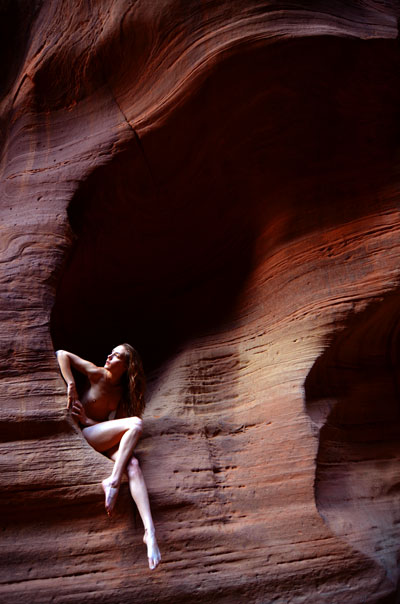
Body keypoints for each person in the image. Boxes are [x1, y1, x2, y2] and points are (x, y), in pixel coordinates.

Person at [56, 344, 161, 570]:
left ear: (126, 366)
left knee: (133, 465)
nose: (109, 356)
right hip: (83, 435)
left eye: (116, 356)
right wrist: (71, 386)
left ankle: (149, 532)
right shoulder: (97, 373)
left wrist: (88, 420)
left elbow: (118, 428)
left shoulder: (122, 393)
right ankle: (113, 481)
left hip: (97, 433)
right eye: (111, 353)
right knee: (136, 424)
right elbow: (61, 354)